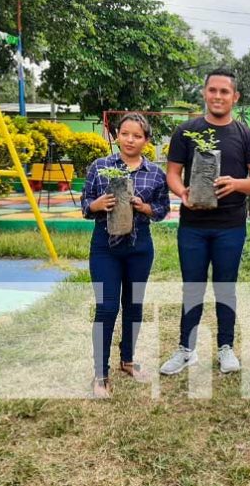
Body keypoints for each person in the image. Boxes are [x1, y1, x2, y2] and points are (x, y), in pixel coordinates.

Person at [160, 69, 250, 375]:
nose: (218, 96)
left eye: (224, 91)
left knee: (225, 287)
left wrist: (236, 184)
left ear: (235, 97)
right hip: (193, 225)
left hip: (230, 225)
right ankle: (186, 349)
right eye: (213, 90)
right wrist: (182, 192)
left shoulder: (245, 135)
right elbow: (173, 173)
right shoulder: (186, 131)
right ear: (204, 93)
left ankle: (226, 348)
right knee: (192, 287)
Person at [82, 113, 170, 398]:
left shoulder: (155, 173)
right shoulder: (100, 167)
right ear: (116, 135)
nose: (130, 140)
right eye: (125, 134)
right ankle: (100, 373)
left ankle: (127, 361)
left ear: (146, 140)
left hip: (139, 247)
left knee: (134, 307)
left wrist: (145, 208)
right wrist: (96, 204)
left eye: (137, 135)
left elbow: (162, 209)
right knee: (107, 308)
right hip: (105, 247)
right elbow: (85, 205)